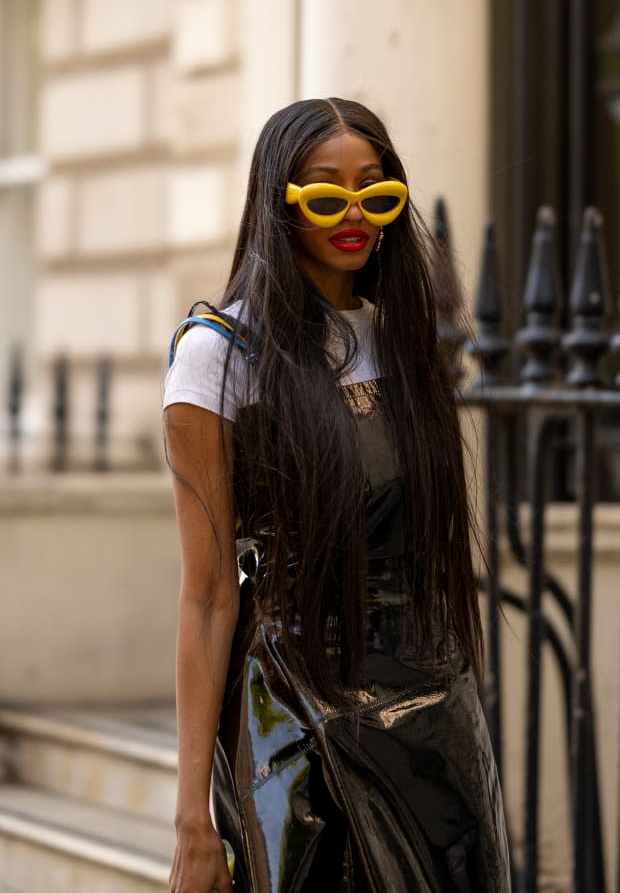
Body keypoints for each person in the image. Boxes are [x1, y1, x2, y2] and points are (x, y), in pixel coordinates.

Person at [163, 97, 511, 893]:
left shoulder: (403, 338)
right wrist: (192, 817)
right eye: (325, 194)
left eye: (376, 192)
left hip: (437, 715)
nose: (354, 213)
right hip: (295, 711)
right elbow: (210, 594)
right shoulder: (220, 355)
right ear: (277, 202)